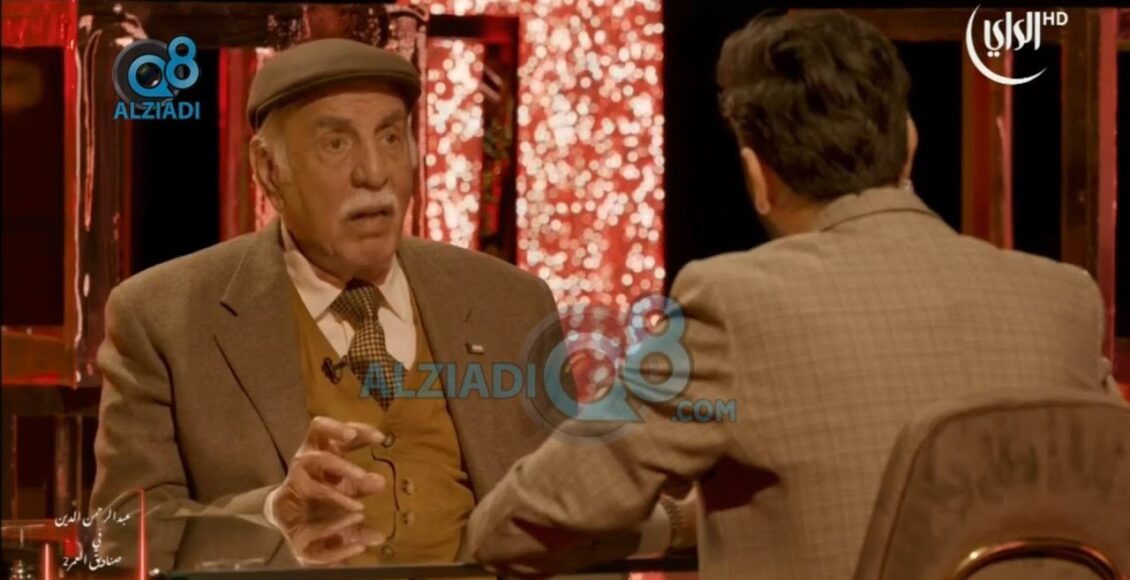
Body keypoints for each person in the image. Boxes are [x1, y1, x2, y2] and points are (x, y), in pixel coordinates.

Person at [462, 10, 1119, 579]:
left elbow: (534, 518)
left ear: (756, 176)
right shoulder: (1063, 299)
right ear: (910, 143)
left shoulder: (735, 303)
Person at [90, 38, 683, 566]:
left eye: (391, 138)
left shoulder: (511, 303)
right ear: (269, 171)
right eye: (335, 143)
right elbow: (121, 537)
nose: (373, 173)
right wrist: (272, 511)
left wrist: (689, 514)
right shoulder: (164, 317)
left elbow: (573, 515)